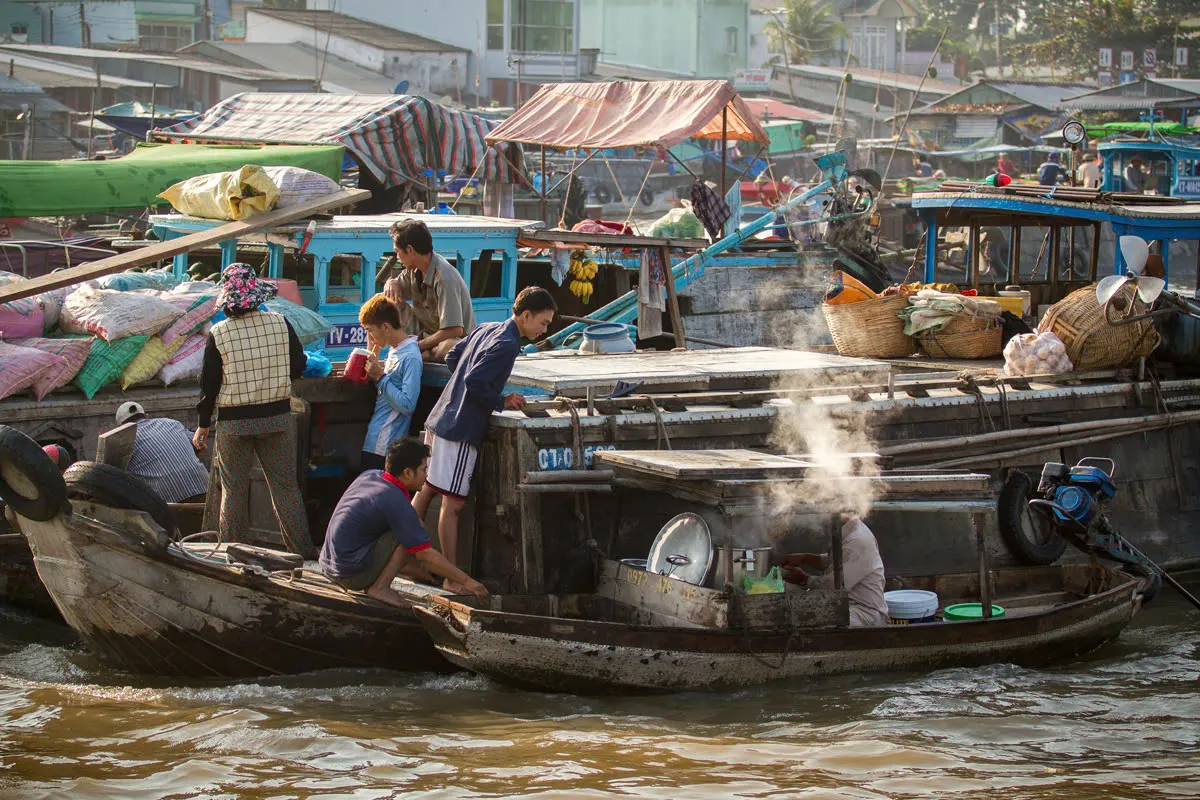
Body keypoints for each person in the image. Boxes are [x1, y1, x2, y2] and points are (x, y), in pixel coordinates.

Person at [415, 286, 557, 582]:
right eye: (543, 323)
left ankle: (404, 555)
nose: (544, 330)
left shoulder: (488, 328)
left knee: (426, 491)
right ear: (527, 315)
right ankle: (452, 576)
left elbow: (455, 357)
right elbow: (475, 381)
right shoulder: (507, 343)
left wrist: (464, 390)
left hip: (441, 416)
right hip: (460, 428)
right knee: (452, 505)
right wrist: (500, 401)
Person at [194, 263, 316, 559]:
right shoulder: (280, 322)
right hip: (276, 418)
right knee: (285, 488)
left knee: (233, 492)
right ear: (257, 296)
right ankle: (303, 553)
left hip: (234, 424)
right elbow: (299, 365)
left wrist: (203, 425)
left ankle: (233, 554)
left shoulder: (219, 333)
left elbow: (209, 385)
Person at [319, 438, 488, 606]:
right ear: (407, 473)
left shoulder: (370, 475)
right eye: (424, 469)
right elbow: (425, 556)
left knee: (413, 527)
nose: (426, 475)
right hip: (348, 575)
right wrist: (467, 581)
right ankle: (380, 587)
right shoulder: (395, 501)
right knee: (407, 534)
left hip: (328, 566)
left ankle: (395, 577)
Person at [382, 219, 476, 362]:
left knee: (448, 347)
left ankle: (419, 354)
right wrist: (391, 283)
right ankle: (380, 353)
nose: (397, 257)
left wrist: (417, 346)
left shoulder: (444, 277)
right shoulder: (413, 270)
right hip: (426, 334)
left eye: (397, 252)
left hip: (453, 340)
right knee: (382, 302)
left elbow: (455, 329)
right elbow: (396, 289)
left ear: (410, 250)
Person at [779, 516, 889, 627]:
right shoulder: (849, 530)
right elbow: (838, 561)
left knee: (815, 620)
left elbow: (832, 589)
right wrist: (805, 558)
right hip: (849, 606)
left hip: (864, 613)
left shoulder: (857, 541)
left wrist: (804, 579)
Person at [358, 295, 423, 471]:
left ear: (385, 327)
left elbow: (408, 404)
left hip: (386, 446)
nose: (369, 336)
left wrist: (380, 376)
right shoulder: (395, 351)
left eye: (370, 330)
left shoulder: (410, 357)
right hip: (375, 441)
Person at [115, 401, 209, 503]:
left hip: (169, 502)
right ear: (146, 416)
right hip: (204, 487)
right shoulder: (172, 423)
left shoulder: (125, 440)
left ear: (121, 427)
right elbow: (200, 445)